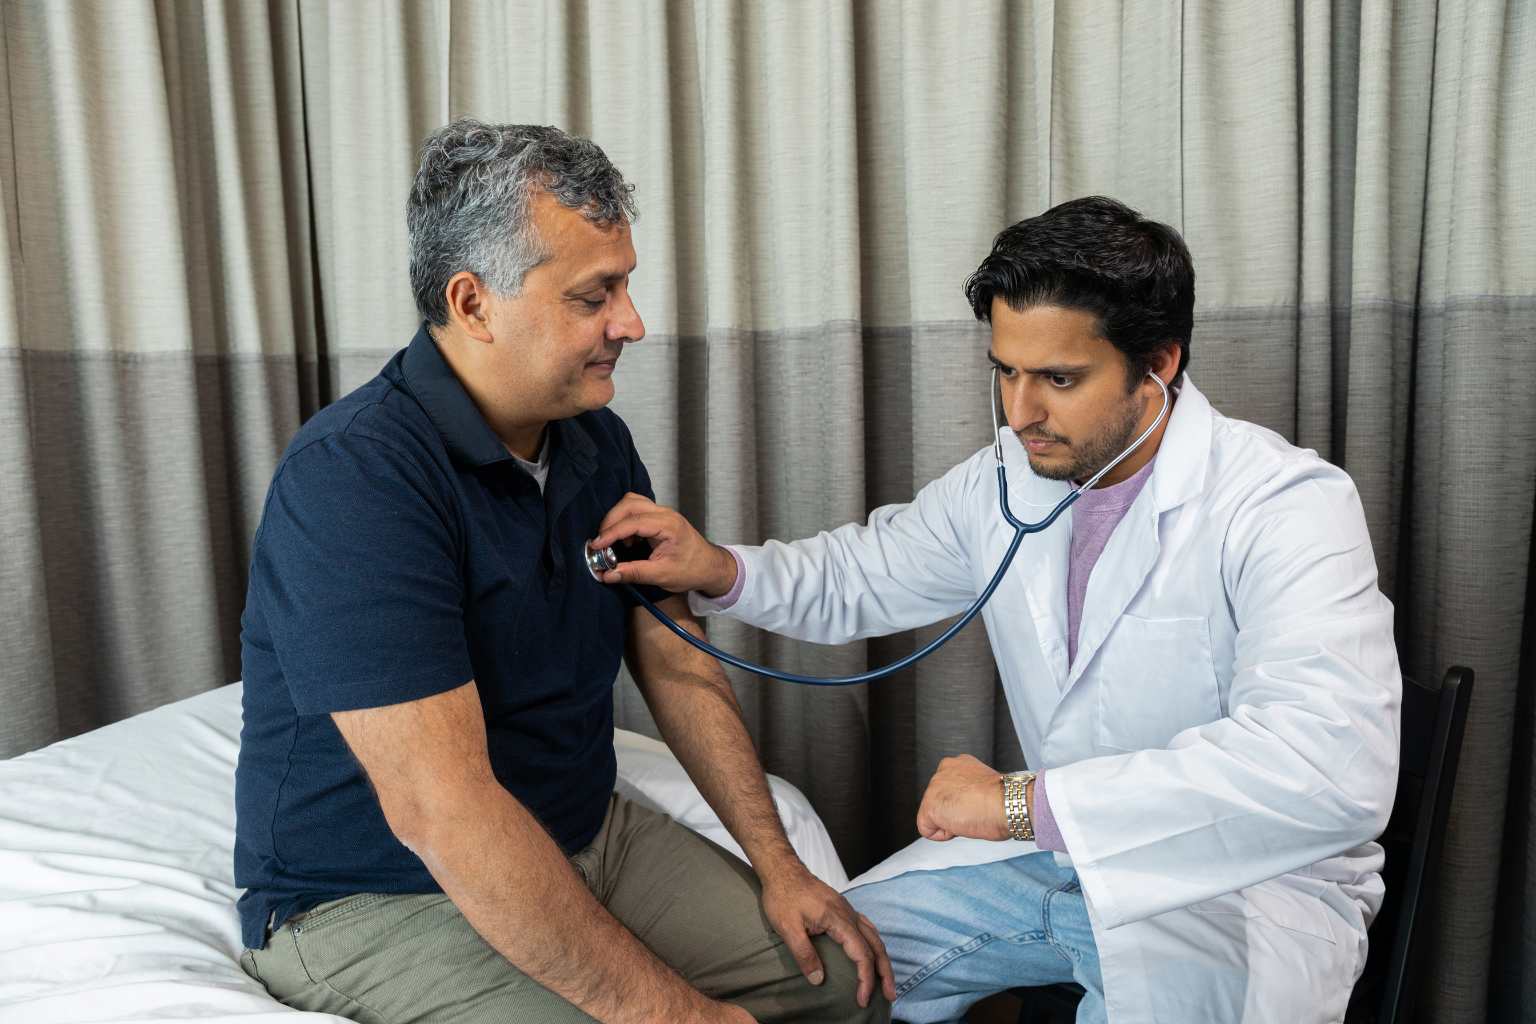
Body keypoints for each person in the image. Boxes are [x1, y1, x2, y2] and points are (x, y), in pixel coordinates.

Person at [591, 197, 1402, 1024]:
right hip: (1050, 862)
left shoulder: (1285, 505)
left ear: (1159, 364)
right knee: (829, 976)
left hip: (1242, 891)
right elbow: (862, 574)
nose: (1020, 413)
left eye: (1059, 378)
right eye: (1005, 370)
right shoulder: (1011, 480)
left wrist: (1018, 803)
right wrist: (721, 568)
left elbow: (1329, 770)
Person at [234, 118, 894, 1024]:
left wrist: (782, 869)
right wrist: (676, 1014)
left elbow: (674, 659)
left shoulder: (595, 442)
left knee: (843, 982)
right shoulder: (355, 480)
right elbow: (443, 812)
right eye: (596, 296)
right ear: (474, 305)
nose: (632, 322)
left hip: (584, 833)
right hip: (377, 893)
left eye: (625, 286)